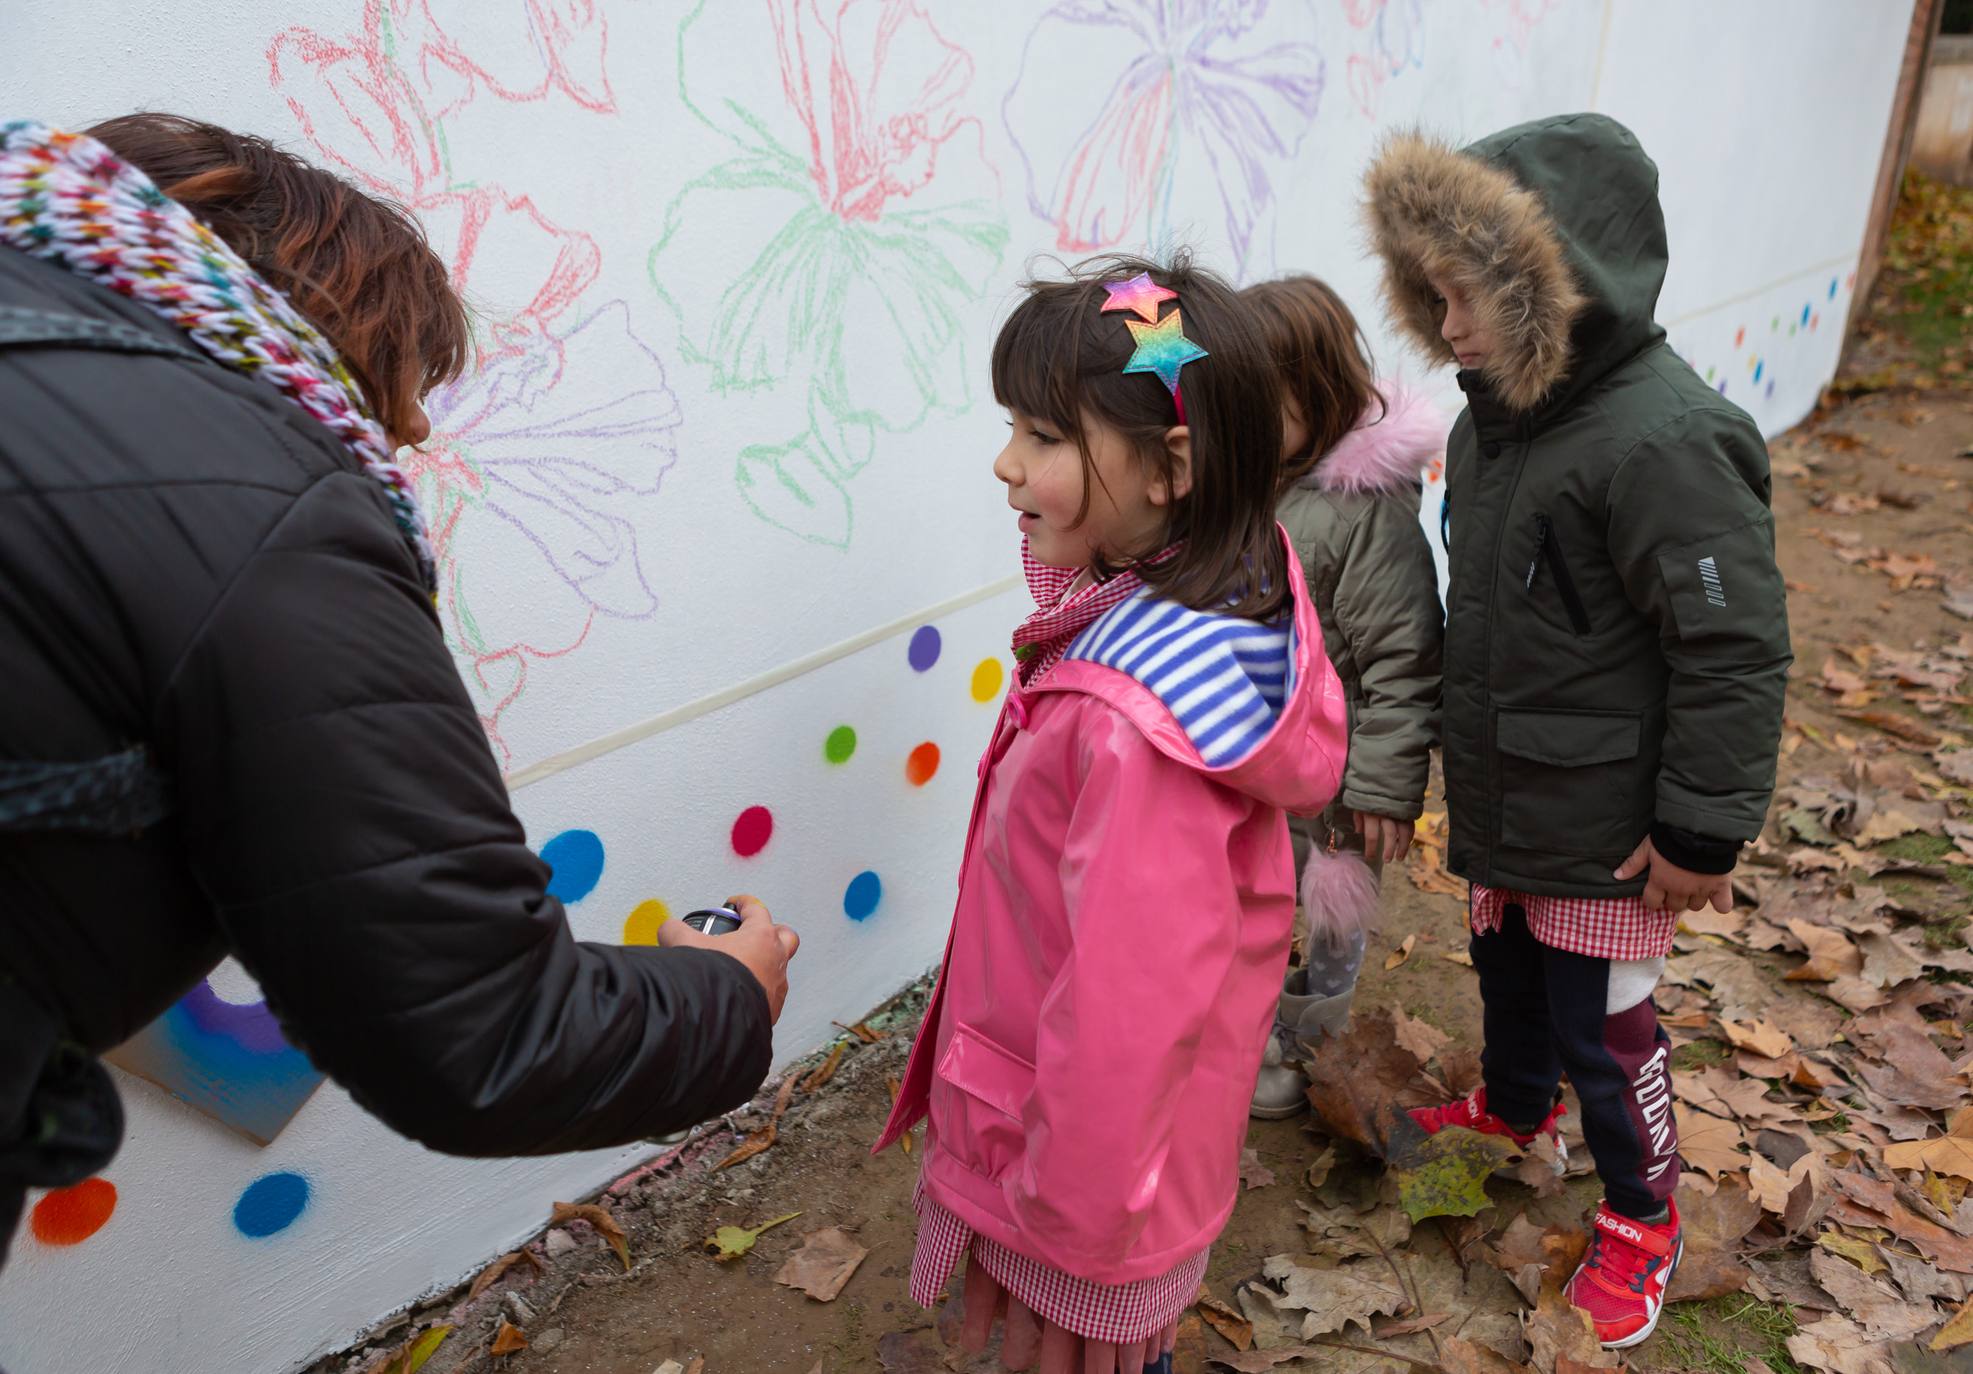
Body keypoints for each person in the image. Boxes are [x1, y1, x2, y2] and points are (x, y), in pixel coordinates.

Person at [0, 115, 799, 1265]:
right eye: (406, 378)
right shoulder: (255, 488)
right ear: (328, 325)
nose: (411, 427)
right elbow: (483, 1032)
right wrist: (728, 992)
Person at [871, 253, 1349, 1374]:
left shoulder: (1135, 722)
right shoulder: (1202, 588)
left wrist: (1073, 1230)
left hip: (1079, 1179)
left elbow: (1128, 1005)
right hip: (1087, 1148)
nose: (1005, 464)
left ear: (1169, 469)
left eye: (1041, 435)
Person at [1363, 114, 1792, 1348]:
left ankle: (1641, 1210)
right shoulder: (1485, 422)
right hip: (1515, 797)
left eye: (1465, 299)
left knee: (1606, 1027)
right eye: (1429, 299)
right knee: (1505, 971)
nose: (1444, 331)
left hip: (1610, 826)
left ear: (1564, 286)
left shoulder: (1666, 441)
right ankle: (1512, 1108)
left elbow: (1727, 645)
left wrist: (1700, 831)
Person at [1239, 276, 1444, 1117]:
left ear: (1317, 393)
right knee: (1252, 896)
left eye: (1260, 405)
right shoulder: (1252, 481)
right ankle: (1248, 1029)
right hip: (1257, 746)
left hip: (1336, 763)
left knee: (1328, 910)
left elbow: (1403, 655)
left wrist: (1381, 787)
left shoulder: (1364, 515)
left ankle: (1313, 1036)